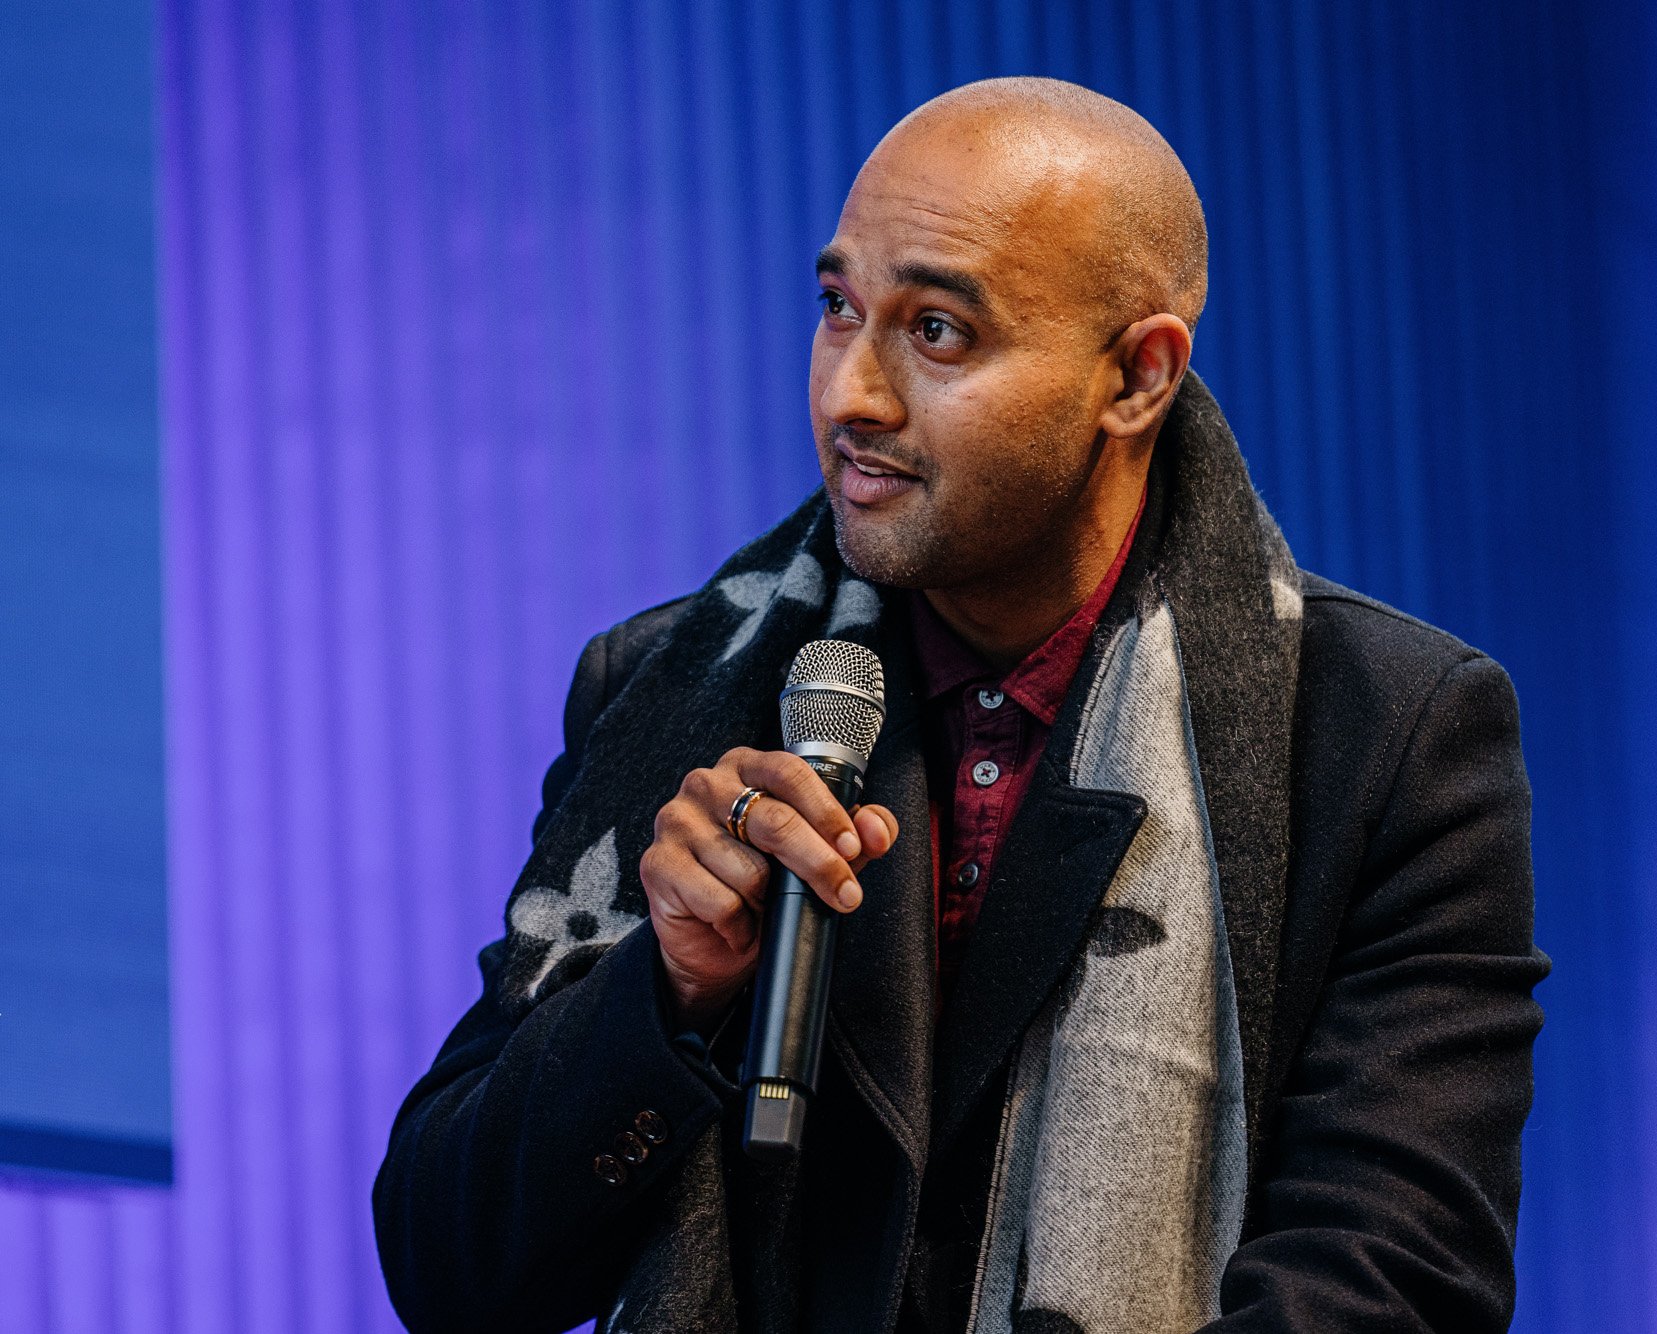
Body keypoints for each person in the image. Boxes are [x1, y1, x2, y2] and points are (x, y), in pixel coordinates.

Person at [373, 77, 1548, 1334]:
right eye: (838, 309)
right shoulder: (674, 686)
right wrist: (666, 988)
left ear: (1137, 376)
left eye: (937, 332)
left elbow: (1390, 1286)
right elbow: (450, 1266)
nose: (851, 396)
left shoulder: (1386, 736)